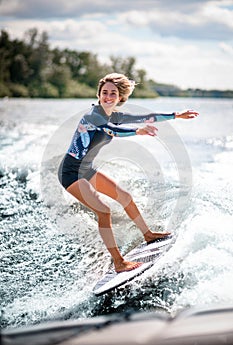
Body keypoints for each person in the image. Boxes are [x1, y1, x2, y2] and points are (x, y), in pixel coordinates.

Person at [58, 73, 198, 273]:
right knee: (103, 210)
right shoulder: (93, 116)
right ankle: (118, 262)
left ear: (120, 97)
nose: (108, 96)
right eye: (104, 92)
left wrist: (176, 115)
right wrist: (137, 131)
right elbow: (112, 130)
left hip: (86, 169)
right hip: (70, 172)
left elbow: (146, 117)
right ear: (98, 95)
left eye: (112, 93)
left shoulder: (114, 115)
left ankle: (148, 235)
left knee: (125, 197)